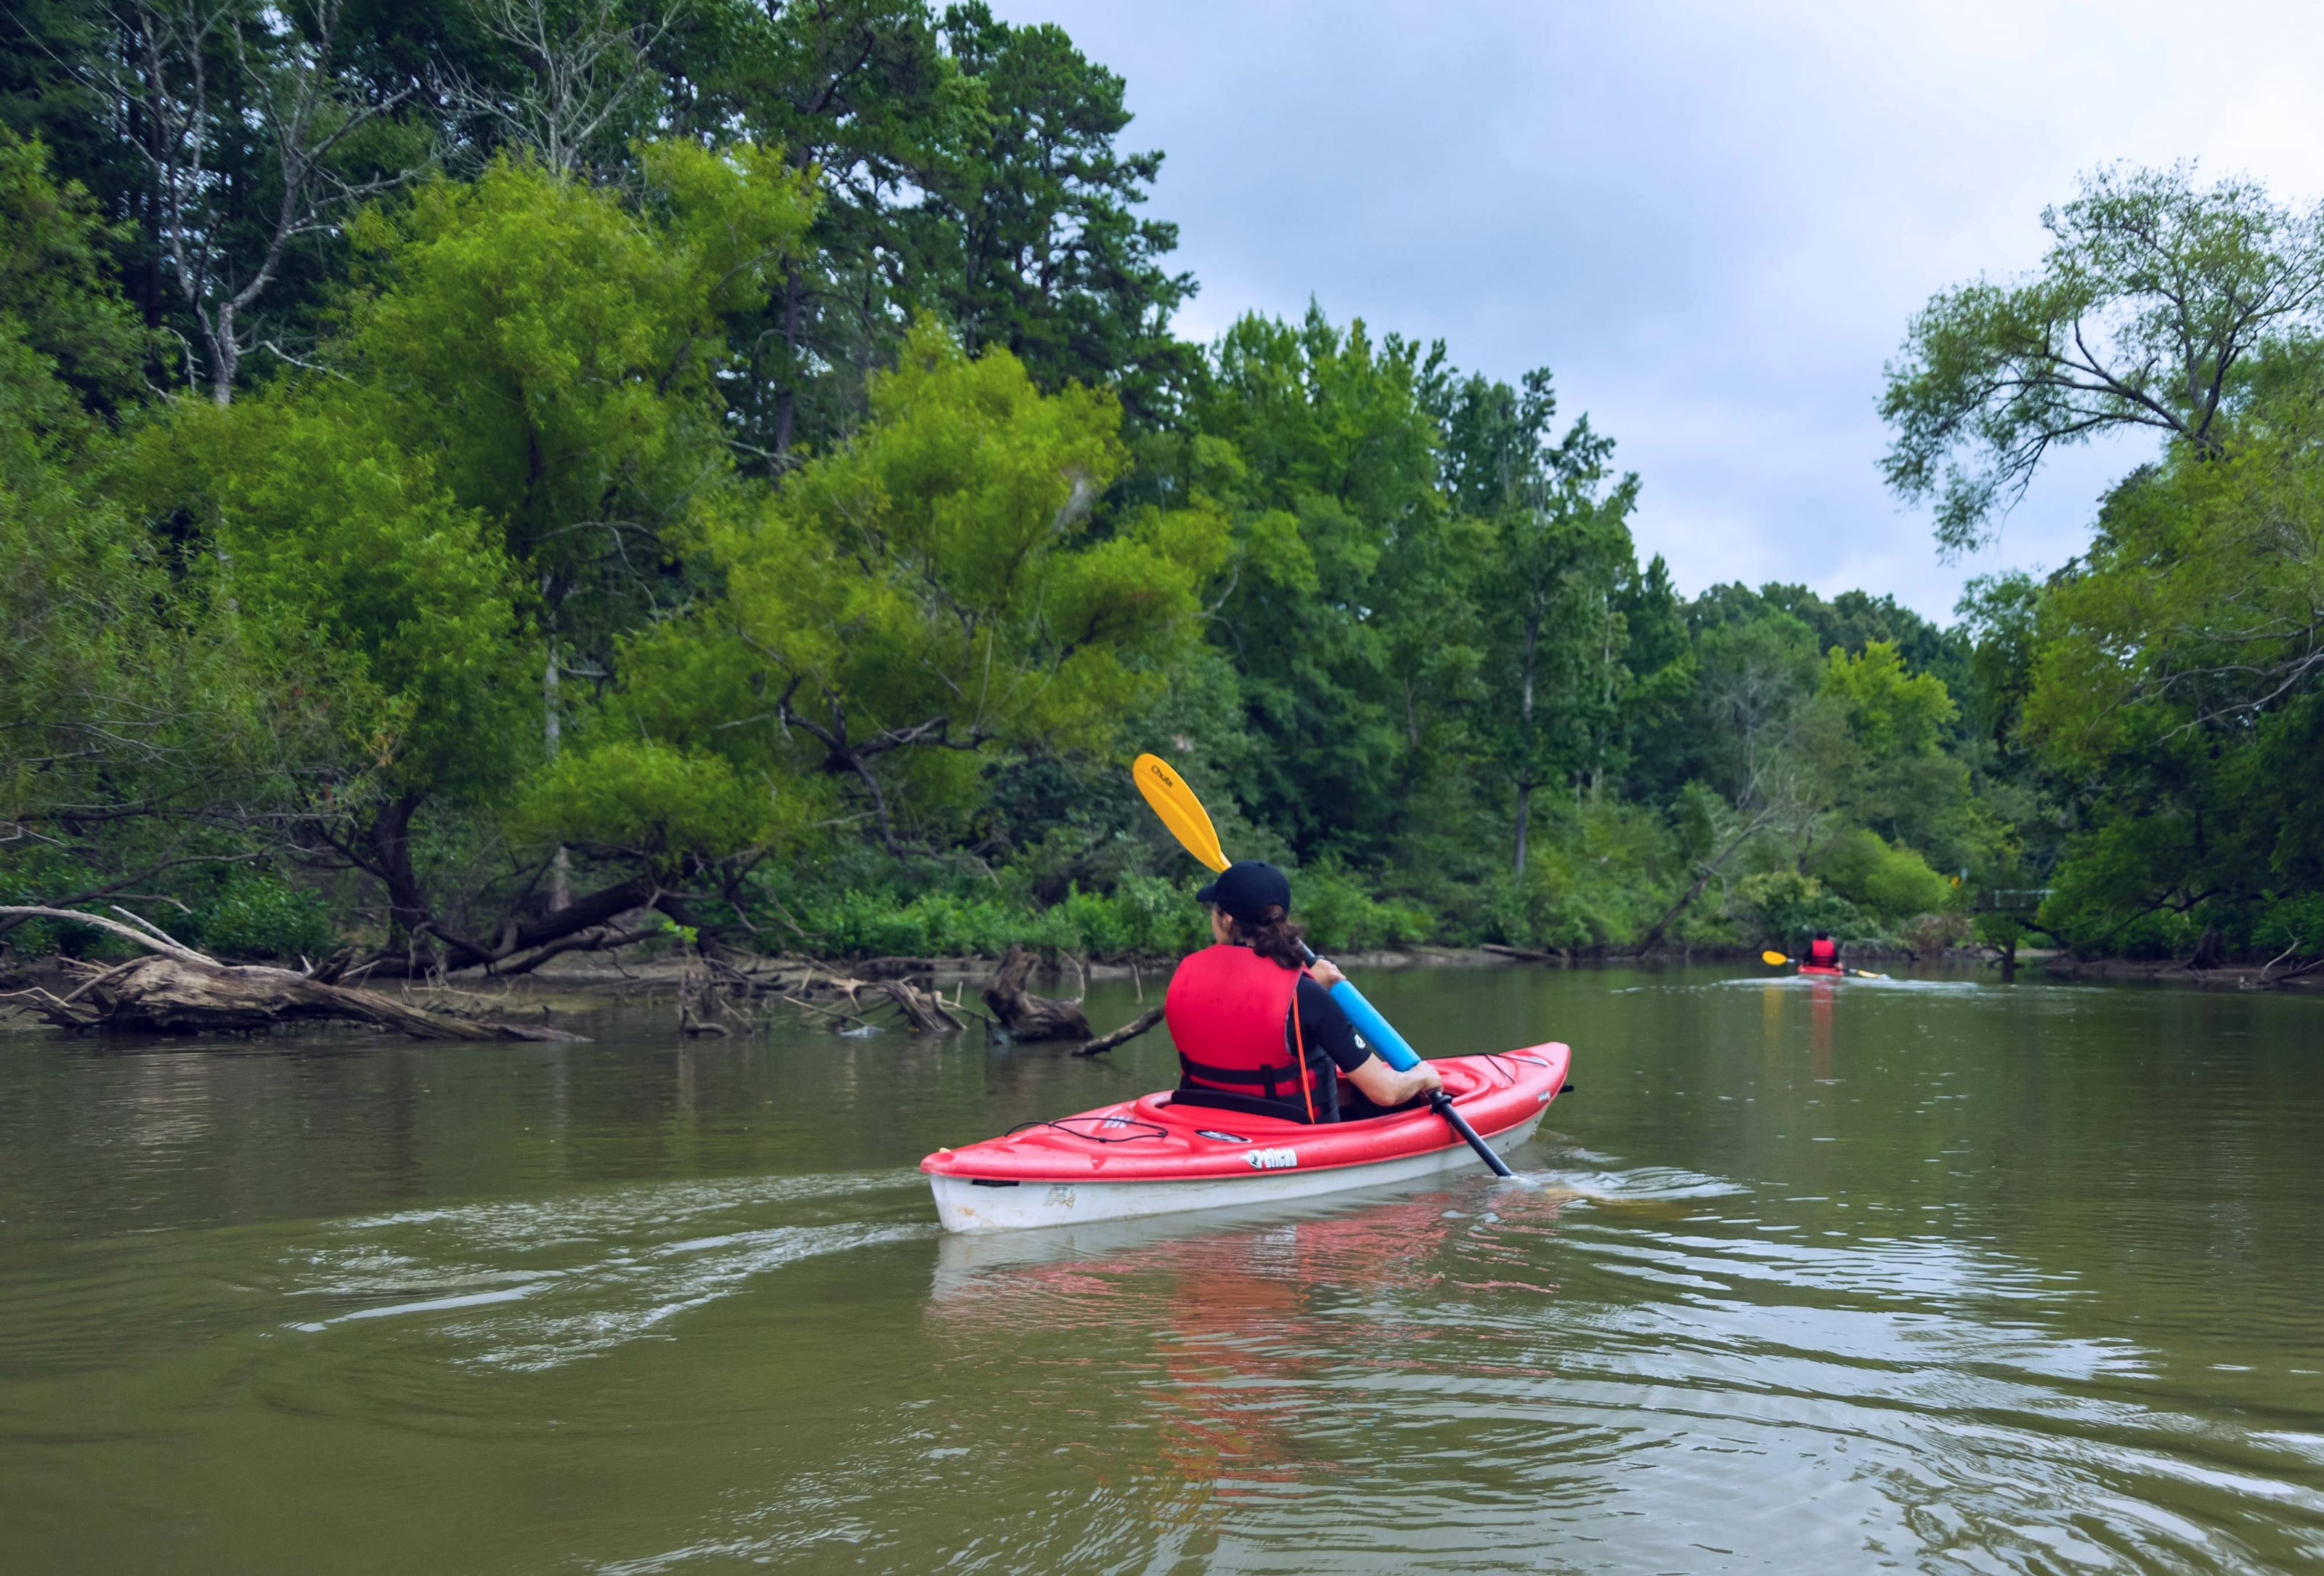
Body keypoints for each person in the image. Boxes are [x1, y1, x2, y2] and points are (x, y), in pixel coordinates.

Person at [1161, 861, 1443, 1124]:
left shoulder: (1186, 975)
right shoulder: (1305, 996)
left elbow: (1244, 1006)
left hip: (1200, 1122)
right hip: (1287, 1133)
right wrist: (1422, 1077)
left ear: (1226, 920)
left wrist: (1303, 985)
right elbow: (1385, 1093)